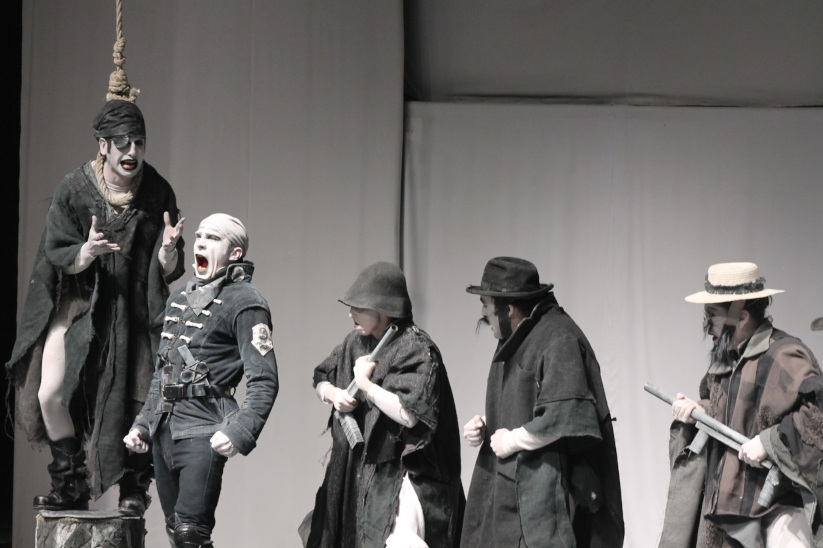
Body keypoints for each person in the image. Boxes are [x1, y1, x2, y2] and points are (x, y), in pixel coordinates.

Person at [6, 99, 185, 515]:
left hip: (134, 310)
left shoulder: (157, 191)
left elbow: (165, 266)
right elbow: (55, 251)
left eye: (139, 142)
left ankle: (134, 487)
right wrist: (85, 253)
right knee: (50, 392)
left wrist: (168, 252)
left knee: (140, 394)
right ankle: (69, 483)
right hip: (81, 305)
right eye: (123, 143)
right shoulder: (74, 188)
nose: (132, 152)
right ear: (103, 145)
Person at [124, 213, 278, 547]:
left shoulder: (246, 302)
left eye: (213, 238)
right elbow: (162, 372)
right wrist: (143, 424)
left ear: (235, 253)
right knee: (175, 530)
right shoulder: (179, 299)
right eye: (199, 236)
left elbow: (264, 379)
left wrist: (240, 430)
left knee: (190, 533)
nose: (202, 243)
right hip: (165, 429)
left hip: (204, 426)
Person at [461, 256, 623, 548]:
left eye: (486, 305)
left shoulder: (558, 338)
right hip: (514, 493)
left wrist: (511, 440)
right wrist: (488, 425)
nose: (483, 313)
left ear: (509, 309)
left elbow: (565, 417)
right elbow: (528, 405)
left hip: (548, 499)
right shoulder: (518, 337)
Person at [303, 261, 464, 548]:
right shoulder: (354, 342)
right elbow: (320, 377)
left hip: (399, 474)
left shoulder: (416, 347)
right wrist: (333, 394)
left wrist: (366, 386)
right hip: (356, 470)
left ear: (385, 310)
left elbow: (411, 413)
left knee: (393, 538)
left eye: (360, 308)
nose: (351, 313)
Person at [662, 262, 823, 547]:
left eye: (711, 316)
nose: (706, 326)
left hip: (778, 508)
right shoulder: (728, 358)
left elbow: (817, 414)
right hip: (731, 509)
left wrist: (770, 442)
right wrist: (698, 411)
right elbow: (725, 408)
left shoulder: (784, 354)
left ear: (742, 316)